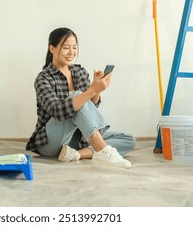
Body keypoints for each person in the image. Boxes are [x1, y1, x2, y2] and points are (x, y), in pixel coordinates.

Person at [25, 27, 135, 168]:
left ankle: (76, 154)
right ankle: (102, 150)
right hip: (51, 142)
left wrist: (97, 90)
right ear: (52, 49)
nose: (72, 52)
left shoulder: (80, 72)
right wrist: (91, 90)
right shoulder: (43, 78)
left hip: (77, 140)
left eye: (74, 47)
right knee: (77, 96)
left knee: (128, 139)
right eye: (66, 48)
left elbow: (90, 109)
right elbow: (57, 111)